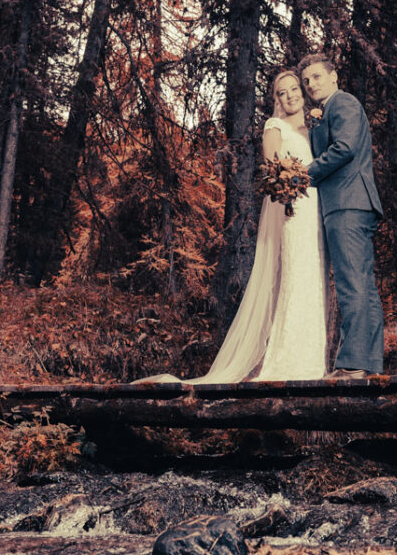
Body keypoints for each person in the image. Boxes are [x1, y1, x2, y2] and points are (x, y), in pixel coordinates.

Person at [136, 69, 329, 384]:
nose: (292, 95)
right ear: (276, 99)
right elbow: (272, 164)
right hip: (294, 210)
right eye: (284, 92)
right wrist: (289, 180)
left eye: (295, 89)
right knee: (296, 277)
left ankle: (313, 356)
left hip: (315, 209)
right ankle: (290, 358)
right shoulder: (274, 125)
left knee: (314, 277)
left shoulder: (313, 126)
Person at [299, 52, 385, 378]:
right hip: (348, 203)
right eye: (307, 80)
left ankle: (352, 364)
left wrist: (304, 174)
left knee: (353, 285)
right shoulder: (326, 112)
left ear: (333, 77)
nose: (310, 85)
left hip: (348, 202)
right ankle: (368, 364)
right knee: (362, 284)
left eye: (317, 77)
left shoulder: (344, 102)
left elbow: (345, 147)